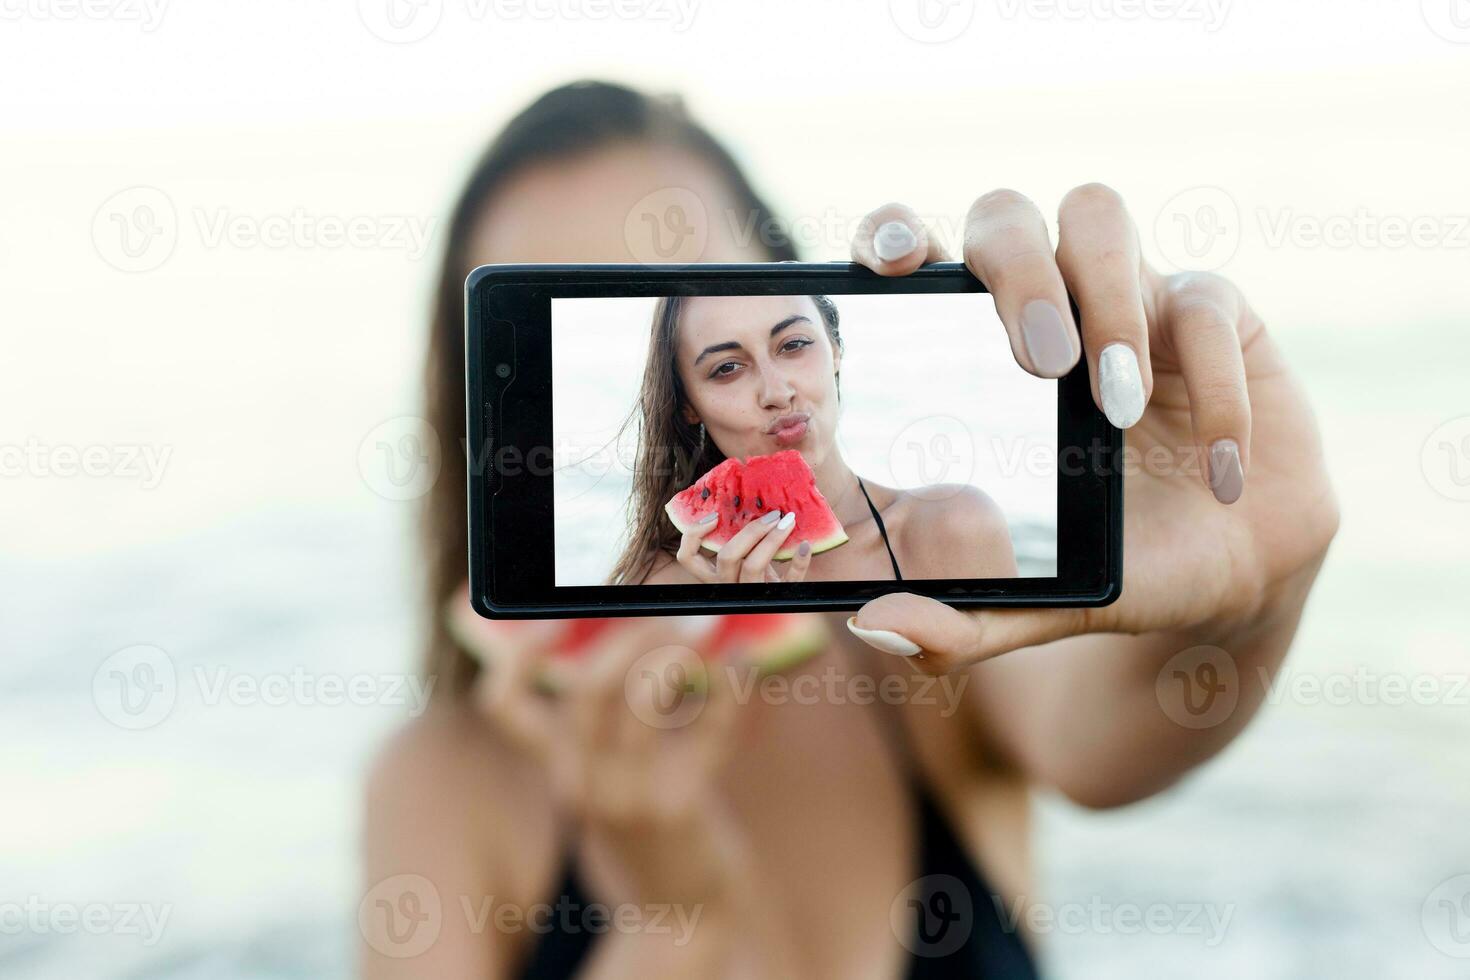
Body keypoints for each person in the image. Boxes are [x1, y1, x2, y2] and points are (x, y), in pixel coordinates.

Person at [362, 80, 1340, 978]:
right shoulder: (440, 780)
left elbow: (1113, 739)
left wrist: (1254, 584)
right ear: (687, 398)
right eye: (724, 360)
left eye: (784, 336)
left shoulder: (917, 608)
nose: (776, 383)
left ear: (827, 329)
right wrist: (678, 920)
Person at [605, 292, 1018, 588]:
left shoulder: (954, 527)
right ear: (688, 405)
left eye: (794, 345)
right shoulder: (662, 582)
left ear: (836, 349)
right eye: (727, 367)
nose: (776, 392)